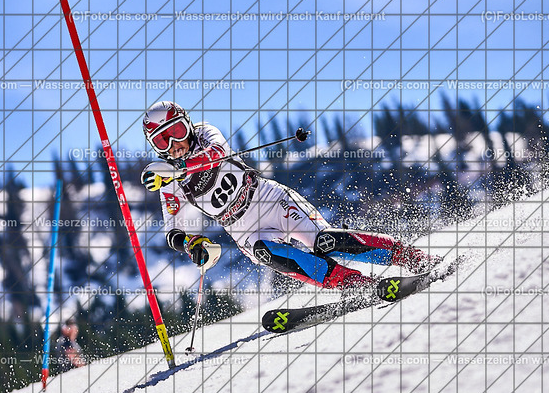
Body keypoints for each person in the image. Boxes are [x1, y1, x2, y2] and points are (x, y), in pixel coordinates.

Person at [141, 101, 441, 289]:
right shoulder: (167, 179)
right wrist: (192, 244)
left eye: (176, 132)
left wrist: (181, 169)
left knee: (325, 241)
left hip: (269, 200)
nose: (174, 144)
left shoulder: (205, 133)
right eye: (162, 141)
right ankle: (354, 284)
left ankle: (409, 257)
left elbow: (216, 153)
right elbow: (173, 231)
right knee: (266, 253)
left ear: (188, 125)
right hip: (243, 229)